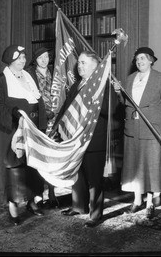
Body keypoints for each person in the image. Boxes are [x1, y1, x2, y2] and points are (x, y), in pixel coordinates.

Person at [54, 51, 119, 228]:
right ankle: (78, 206)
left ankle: (95, 214)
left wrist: (93, 97)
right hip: (74, 139)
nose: (79, 66)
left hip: (93, 139)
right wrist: (56, 128)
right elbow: (67, 109)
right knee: (77, 175)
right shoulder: (76, 85)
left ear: (95, 67)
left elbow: (110, 109)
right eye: (79, 63)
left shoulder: (104, 86)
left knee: (94, 179)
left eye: (83, 63)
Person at [113, 47, 161, 219]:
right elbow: (125, 103)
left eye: (143, 59)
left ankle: (149, 203)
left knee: (150, 168)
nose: (139, 62)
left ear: (151, 60)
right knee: (134, 167)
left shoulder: (160, 78)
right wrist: (118, 91)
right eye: (137, 59)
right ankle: (137, 200)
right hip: (132, 130)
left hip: (152, 130)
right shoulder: (130, 78)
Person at [0, 44, 46, 226]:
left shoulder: (29, 76)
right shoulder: (2, 80)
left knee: (33, 167)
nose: (23, 60)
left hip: (33, 131)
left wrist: (43, 120)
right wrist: (14, 113)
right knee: (15, 170)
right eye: (19, 57)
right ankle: (13, 209)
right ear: (10, 60)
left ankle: (32, 203)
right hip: (13, 133)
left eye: (24, 57)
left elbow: (38, 101)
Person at [26, 46, 59, 208]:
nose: (44, 60)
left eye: (46, 57)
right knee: (39, 157)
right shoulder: (29, 74)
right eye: (40, 58)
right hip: (38, 120)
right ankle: (37, 195)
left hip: (55, 121)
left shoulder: (55, 71)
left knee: (52, 157)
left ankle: (52, 193)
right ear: (35, 60)